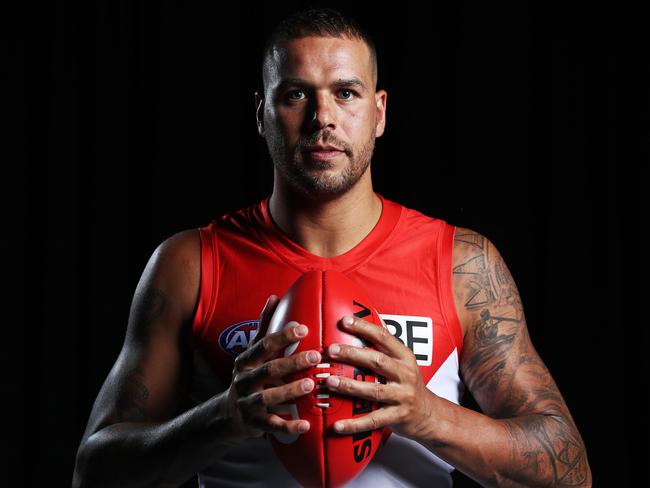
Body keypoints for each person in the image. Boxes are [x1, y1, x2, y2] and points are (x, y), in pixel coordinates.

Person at [73, 7, 592, 488]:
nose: (323, 116)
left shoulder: (461, 263)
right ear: (262, 113)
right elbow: (93, 469)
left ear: (379, 112)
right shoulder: (190, 264)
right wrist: (221, 418)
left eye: (346, 92)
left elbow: (569, 468)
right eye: (296, 93)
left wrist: (429, 415)